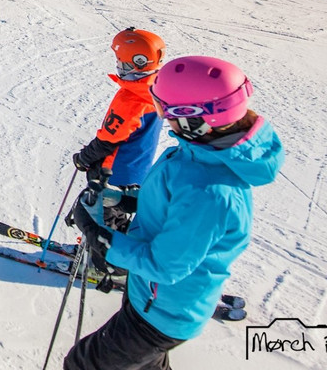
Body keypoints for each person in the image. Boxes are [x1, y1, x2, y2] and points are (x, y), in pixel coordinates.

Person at [65, 55, 284, 370]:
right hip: (150, 296)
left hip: (163, 312)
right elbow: (173, 196)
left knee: (83, 365)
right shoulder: (201, 151)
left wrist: (101, 238)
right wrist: (129, 200)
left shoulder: (210, 192)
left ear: (191, 119)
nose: (161, 117)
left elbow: (166, 266)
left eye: (164, 109)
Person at [72, 28, 165, 224]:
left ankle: (98, 253)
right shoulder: (156, 90)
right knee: (116, 216)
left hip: (113, 173)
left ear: (136, 63)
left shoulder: (132, 99)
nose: (119, 67)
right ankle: (110, 246)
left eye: (122, 62)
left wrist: (83, 158)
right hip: (137, 172)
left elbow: (107, 140)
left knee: (98, 219)